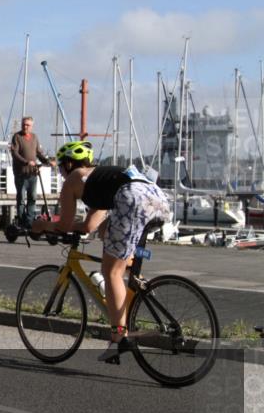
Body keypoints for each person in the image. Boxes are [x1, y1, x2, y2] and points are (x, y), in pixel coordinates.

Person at [31, 140, 172, 362]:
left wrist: (41, 225)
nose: (61, 173)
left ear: (69, 164)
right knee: (109, 232)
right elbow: (89, 226)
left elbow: (63, 225)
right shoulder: (101, 178)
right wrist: (73, 227)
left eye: (60, 167)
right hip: (157, 198)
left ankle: (118, 339)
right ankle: (135, 282)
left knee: (111, 271)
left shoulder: (74, 179)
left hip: (132, 198)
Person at [9, 117, 55, 228]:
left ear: (32, 126)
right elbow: (15, 154)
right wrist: (26, 162)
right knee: (21, 199)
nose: (25, 127)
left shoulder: (34, 137)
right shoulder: (17, 137)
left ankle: (29, 222)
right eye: (24, 124)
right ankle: (21, 221)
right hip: (21, 174)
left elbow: (39, 153)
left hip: (33, 174)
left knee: (32, 198)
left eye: (28, 125)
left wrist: (48, 161)